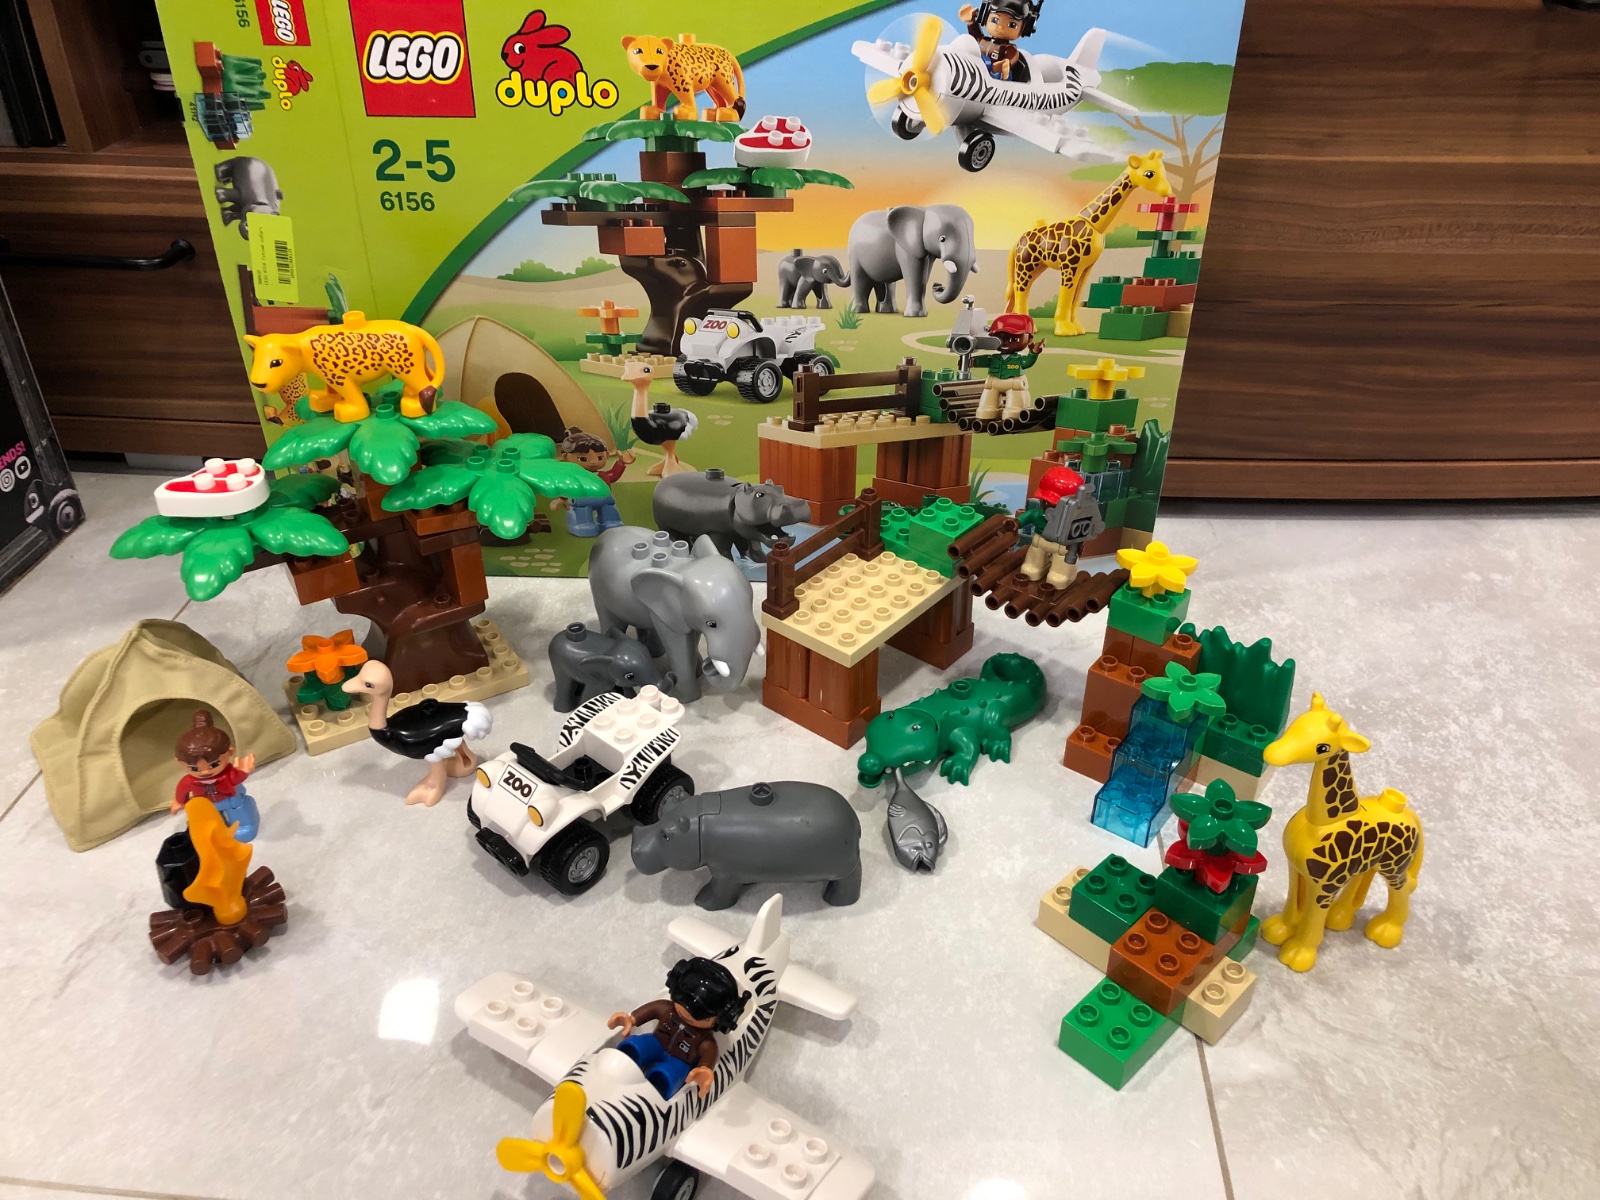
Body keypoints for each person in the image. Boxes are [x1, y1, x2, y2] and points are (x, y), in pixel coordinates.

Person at [607, 957, 751, 1098]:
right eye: (684, 1004)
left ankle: (653, 1092)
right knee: (636, 1045)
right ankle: (623, 1063)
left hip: (680, 1062)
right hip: (655, 1043)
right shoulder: (667, 1009)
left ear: (723, 1020)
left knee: (668, 1075)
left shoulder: (705, 1040)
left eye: (704, 1017)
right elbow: (652, 1009)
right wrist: (631, 1019)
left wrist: (704, 1069)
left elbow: (709, 1054)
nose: (688, 1014)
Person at [172, 709, 259, 841]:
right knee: (207, 820)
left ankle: (243, 826)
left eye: (213, 764)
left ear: (229, 753)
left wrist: (243, 771)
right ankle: (213, 831)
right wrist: (180, 801)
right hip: (206, 805)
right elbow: (182, 790)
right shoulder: (189, 781)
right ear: (181, 763)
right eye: (194, 768)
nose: (205, 772)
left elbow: (236, 778)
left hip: (230, 800)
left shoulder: (228, 774)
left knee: (239, 813)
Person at [1019, 465, 1105, 590]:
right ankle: (1036, 566)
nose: (1046, 505)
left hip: (1062, 547)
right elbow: (1030, 515)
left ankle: (1060, 573)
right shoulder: (1040, 515)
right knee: (1033, 561)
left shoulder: (1073, 519)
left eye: (1052, 504)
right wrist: (1017, 522)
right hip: (1040, 541)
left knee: (1059, 572)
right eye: (1044, 502)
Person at [552, 427, 634, 537]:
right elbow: (568, 487)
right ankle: (582, 524)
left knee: (609, 510)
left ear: (607, 455)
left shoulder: (602, 475)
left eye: (599, 457)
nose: (594, 462)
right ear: (566, 457)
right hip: (582, 501)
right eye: (583, 459)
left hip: (605, 499)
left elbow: (613, 475)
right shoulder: (576, 477)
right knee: (582, 513)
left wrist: (621, 463)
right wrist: (561, 499)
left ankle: (610, 521)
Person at [973, 312, 1044, 422]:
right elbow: (986, 360)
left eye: (1013, 339)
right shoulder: (994, 358)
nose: (1006, 342)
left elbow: (1027, 362)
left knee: (1014, 406)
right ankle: (989, 408)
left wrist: (1033, 353)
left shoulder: (1018, 359)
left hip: (1013, 383)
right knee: (987, 404)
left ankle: (1014, 408)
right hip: (994, 382)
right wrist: (972, 361)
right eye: (1000, 339)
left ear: (1029, 339)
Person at [957, 0, 1042, 80]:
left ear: (1025, 28)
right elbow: (975, 36)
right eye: (995, 20)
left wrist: (1006, 63)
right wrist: (971, 21)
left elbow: (1012, 55)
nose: (1001, 27)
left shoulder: (1008, 48)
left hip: (997, 78)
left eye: (1012, 24)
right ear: (984, 16)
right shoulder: (983, 41)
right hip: (977, 72)